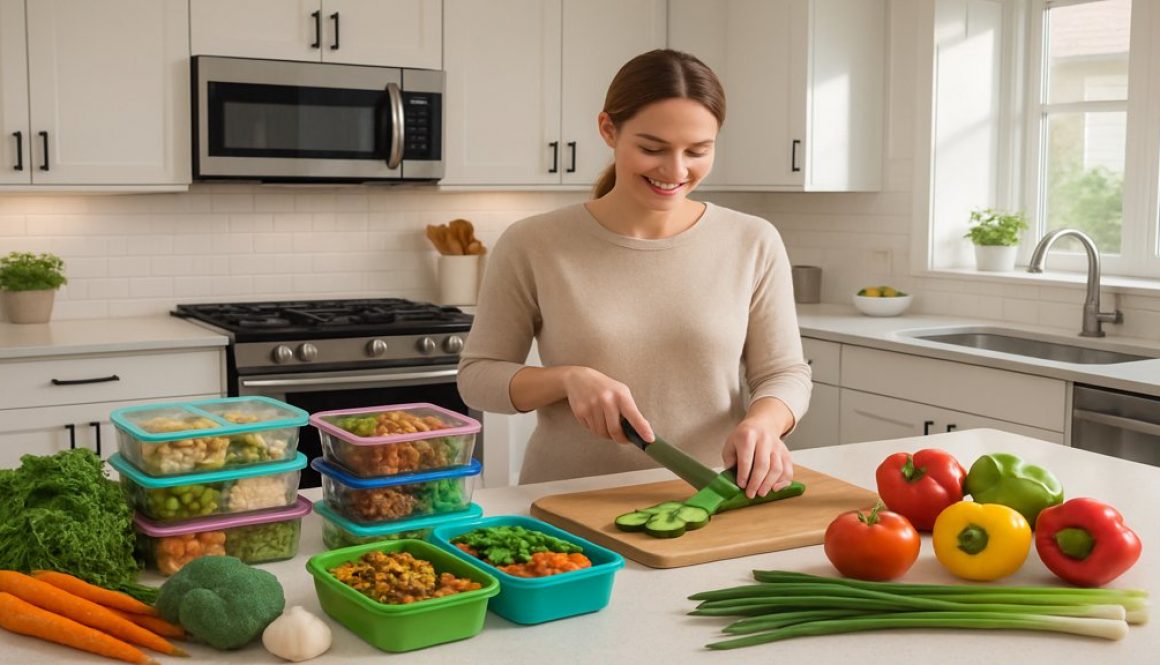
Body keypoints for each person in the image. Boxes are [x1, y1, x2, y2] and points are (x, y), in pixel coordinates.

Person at [457, 49, 812, 498]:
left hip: (708, 501)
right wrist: (567, 379)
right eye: (652, 148)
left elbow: (785, 372)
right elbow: (478, 377)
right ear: (608, 129)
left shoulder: (753, 240)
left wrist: (765, 421)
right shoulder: (534, 242)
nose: (676, 170)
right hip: (566, 503)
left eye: (698, 151)